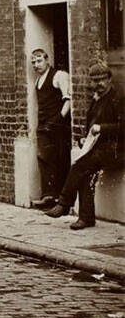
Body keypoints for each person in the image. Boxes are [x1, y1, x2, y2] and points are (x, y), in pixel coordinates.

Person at [47, 63, 123, 230]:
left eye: (102, 80)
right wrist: (84, 138)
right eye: (94, 81)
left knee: (80, 165)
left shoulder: (118, 98)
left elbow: (123, 127)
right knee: (85, 173)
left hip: (118, 150)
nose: (98, 84)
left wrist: (102, 128)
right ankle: (86, 218)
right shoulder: (96, 100)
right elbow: (90, 126)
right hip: (100, 149)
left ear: (109, 79)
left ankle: (64, 203)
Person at [30, 49, 72, 209]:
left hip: (57, 125)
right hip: (43, 125)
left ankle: (61, 198)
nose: (36, 65)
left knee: (60, 159)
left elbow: (68, 99)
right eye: (33, 62)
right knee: (44, 158)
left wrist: (58, 119)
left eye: (39, 60)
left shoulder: (59, 76)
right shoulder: (37, 81)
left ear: (47, 60)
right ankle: (48, 195)